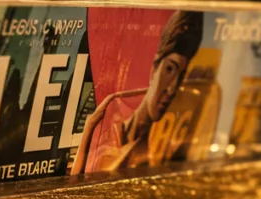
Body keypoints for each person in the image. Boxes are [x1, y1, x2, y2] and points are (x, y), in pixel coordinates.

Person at [73, 11, 202, 174]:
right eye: (169, 69)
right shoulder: (113, 128)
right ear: (154, 69)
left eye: (181, 76)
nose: (172, 89)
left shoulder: (153, 153)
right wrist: (90, 126)